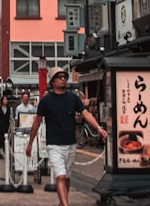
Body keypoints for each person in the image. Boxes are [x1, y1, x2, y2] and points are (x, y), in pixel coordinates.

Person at [26, 67, 107, 206]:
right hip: (54, 145)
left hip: (70, 143)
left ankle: (62, 202)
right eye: (59, 77)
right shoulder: (46, 101)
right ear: (52, 81)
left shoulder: (73, 98)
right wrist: (30, 143)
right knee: (61, 176)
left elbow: (86, 114)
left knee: (67, 177)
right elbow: (37, 122)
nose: (63, 79)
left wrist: (98, 128)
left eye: (64, 76)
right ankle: (65, 204)